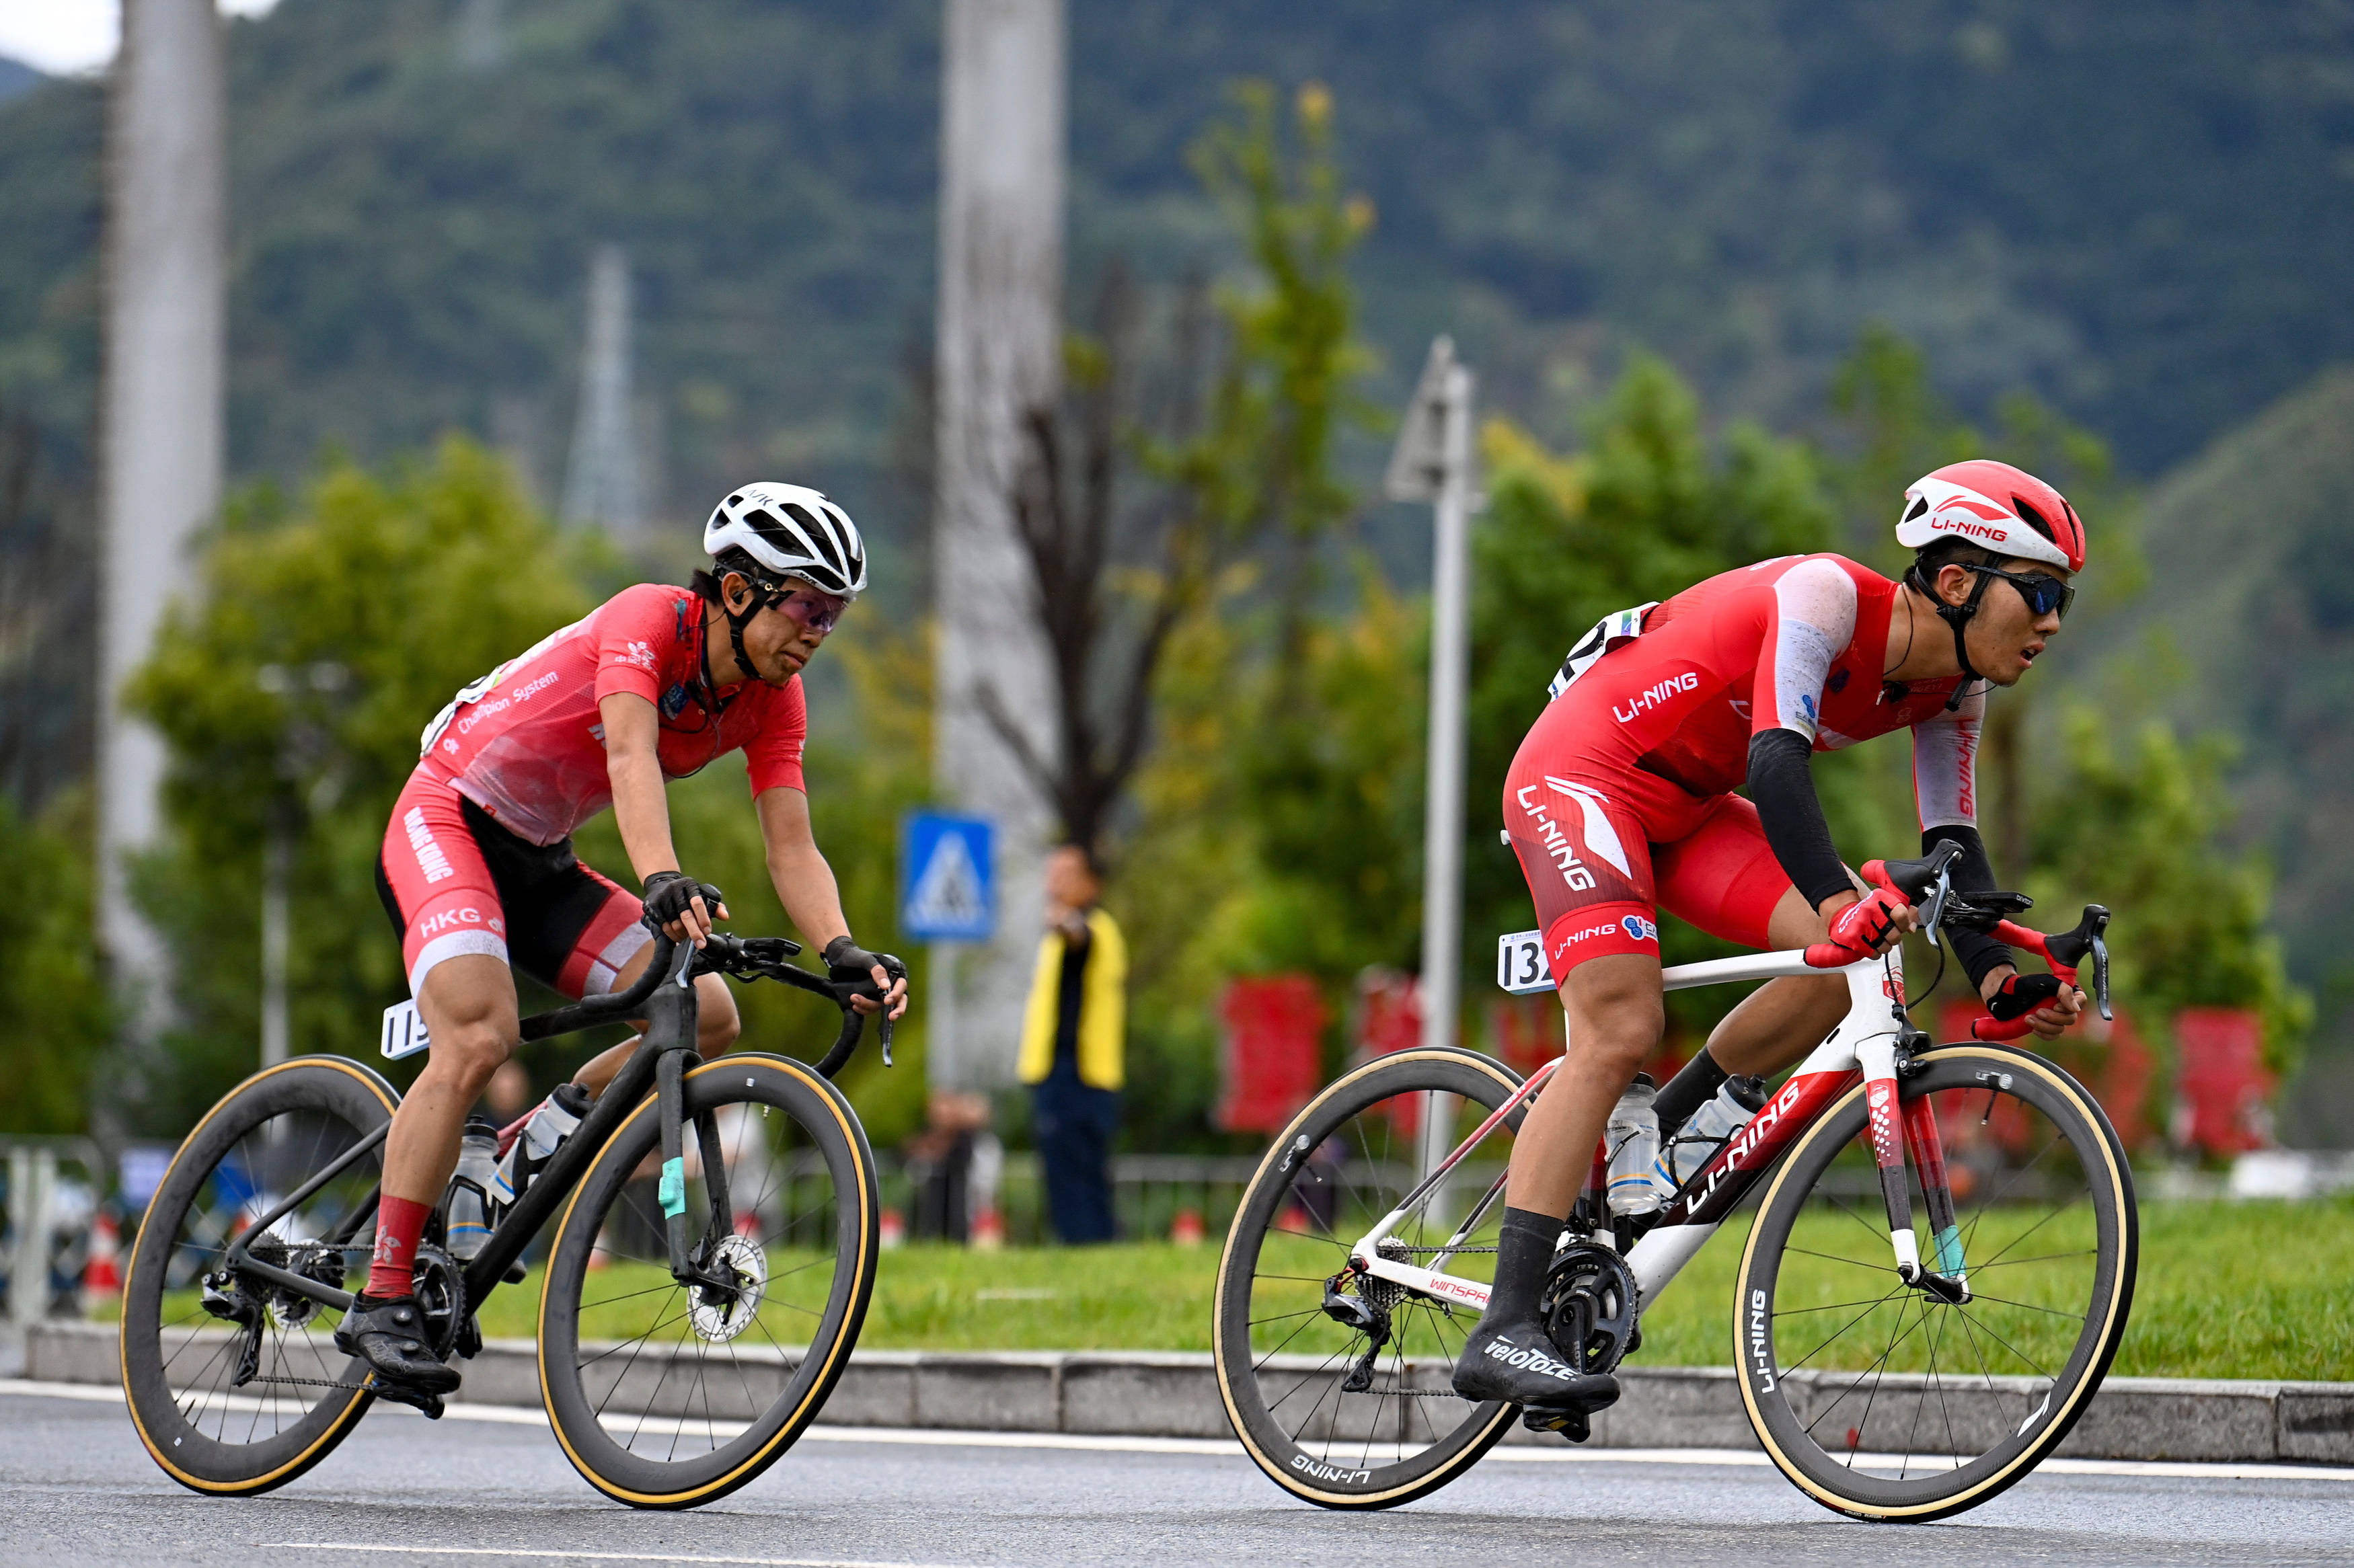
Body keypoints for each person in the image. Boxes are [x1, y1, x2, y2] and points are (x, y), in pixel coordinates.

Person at [1453, 460, 2090, 1419]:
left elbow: (1953, 848)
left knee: (1854, 964)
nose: (2050, 622)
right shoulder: (1826, 597)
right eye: (2039, 594)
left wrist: (2001, 976)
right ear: (1955, 581)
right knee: (1622, 1023)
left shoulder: (1954, 691)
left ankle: (1658, 1136)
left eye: (2063, 603)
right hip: (1582, 773)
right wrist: (1841, 898)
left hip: (1687, 807)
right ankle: (1502, 1323)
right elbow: (1776, 762)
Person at [344, 481, 909, 1399]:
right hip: (447, 818)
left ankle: (522, 1151)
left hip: (539, 860)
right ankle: (379, 1296)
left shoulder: (776, 701)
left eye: (833, 616)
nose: (818, 631)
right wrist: (660, 877)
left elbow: (792, 845)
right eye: (806, 605)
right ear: (738, 592)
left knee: (710, 1018)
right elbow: (628, 756)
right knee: (481, 1033)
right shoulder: (649, 619)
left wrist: (843, 947)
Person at [1016, 843, 1127, 1244]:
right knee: (1083, 1173)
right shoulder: (1059, 939)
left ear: (1090, 884)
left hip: (1077, 1076)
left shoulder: (1093, 930)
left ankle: (1085, 1248)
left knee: (1074, 1176)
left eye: (1065, 875)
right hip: (1068, 1073)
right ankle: (1096, 1250)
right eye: (1051, 874)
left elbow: (1080, 936)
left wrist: (1065, 921)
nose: (1053, 884)